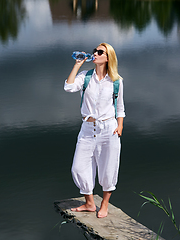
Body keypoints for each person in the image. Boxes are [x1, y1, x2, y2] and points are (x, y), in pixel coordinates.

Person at [64, 43, 125, 218]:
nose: (95, 54)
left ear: (108, 57)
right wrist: (77, 64)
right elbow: (68, 87)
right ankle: (90, 203)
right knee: (78, 168)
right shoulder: (85, 77)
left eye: (100, 52)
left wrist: (119, 127)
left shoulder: (116, 81)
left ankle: (104, 204)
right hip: (87, 129)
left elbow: (120, 108)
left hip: (109, 129)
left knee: (109, 168)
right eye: (95, 51)